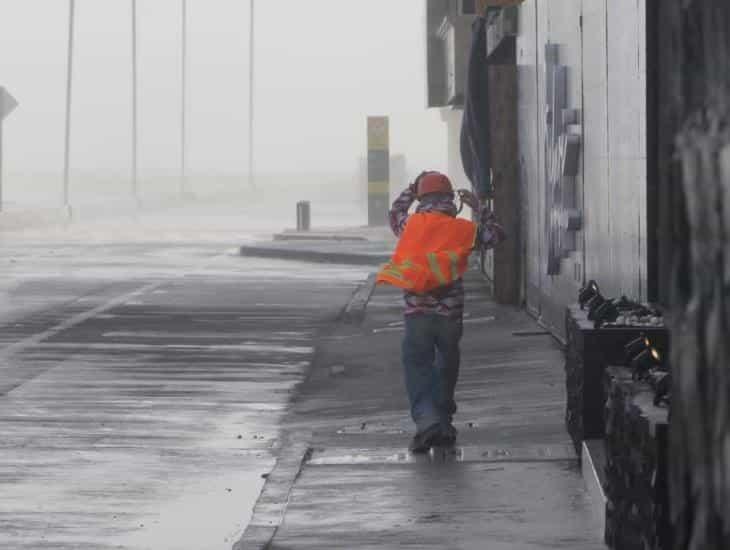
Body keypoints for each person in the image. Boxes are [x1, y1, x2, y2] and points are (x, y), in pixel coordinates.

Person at [376, 171, 506, 453]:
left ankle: (427, 422)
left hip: (417, 313)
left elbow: (394, 212)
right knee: (447, 366)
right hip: (451, 315)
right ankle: (444, 423)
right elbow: (496, 235)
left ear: (421, 198)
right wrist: (480, 208)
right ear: (451, 199)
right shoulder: (462, 229)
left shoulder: (410, 225)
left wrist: (410, 189)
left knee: (418, 365)